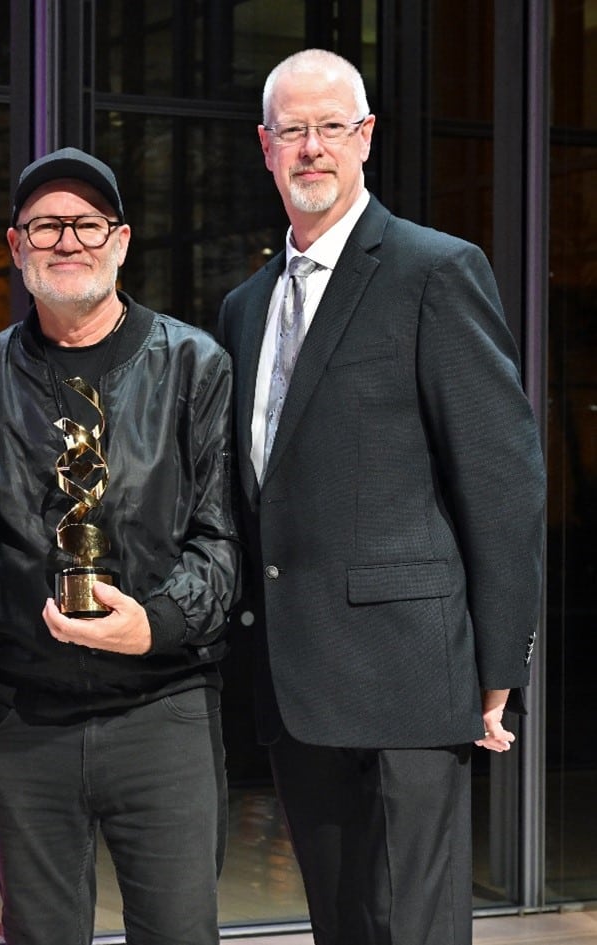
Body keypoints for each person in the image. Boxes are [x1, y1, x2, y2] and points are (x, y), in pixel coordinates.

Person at [216, 49, 545, 945]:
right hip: (295, 680)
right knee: (341, 925)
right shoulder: (245, 307)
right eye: (293, 131)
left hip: (409, 674)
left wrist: (497, 666)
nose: (311, 148)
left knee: (414, 928)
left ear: (366, 138)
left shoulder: (433, 271)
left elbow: (503, 476)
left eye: (331, 128)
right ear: (266, 147)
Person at [0, 148, 239, 945]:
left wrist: (155, 623)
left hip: (163, 709)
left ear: (120, 240)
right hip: (25, 721)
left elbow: (221, 541)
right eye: (46, 225)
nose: (67, 240)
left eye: (87, 223)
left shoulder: (193, 363)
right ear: (16, 246)